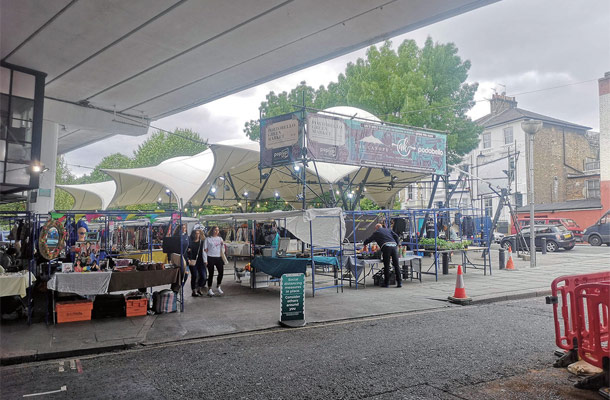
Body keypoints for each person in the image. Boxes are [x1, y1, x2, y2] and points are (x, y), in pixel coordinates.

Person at [360, 223, 402, 288]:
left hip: (386, 247)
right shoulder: (388, 230)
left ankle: (387, 283)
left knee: (387, 266)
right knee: (396, 265)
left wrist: (364, 243)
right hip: (394, 247)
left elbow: (369, 239)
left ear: (377, 228)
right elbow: (396, 236)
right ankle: (399, 283)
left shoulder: (377, 232)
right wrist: (397, 243)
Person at [204, 226, 225, 296]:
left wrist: (222, 245)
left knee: (221, 272)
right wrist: (205, 260)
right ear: (212, 231)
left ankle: (218, 286)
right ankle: (209, 288)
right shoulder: (208, 239)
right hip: (210, 257)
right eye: (215, 230)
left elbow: (223, 249)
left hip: (218, 257)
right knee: (211, 274)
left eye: (218, 230)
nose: (216, 231)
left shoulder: (220, 238)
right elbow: (204, 250)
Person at [187, 227, 207, 297]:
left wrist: (206, 260)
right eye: (195, 233)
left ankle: (199, 288)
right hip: (192, 261)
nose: (197, 235)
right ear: (193, 234)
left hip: (201, 262)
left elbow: (206, 250)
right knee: (194, 275)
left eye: (198, 233)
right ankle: (193, 290)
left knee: (204, 277)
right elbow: (186, 251)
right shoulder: (190, 242)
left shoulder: (202, 242)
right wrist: (188, 258)